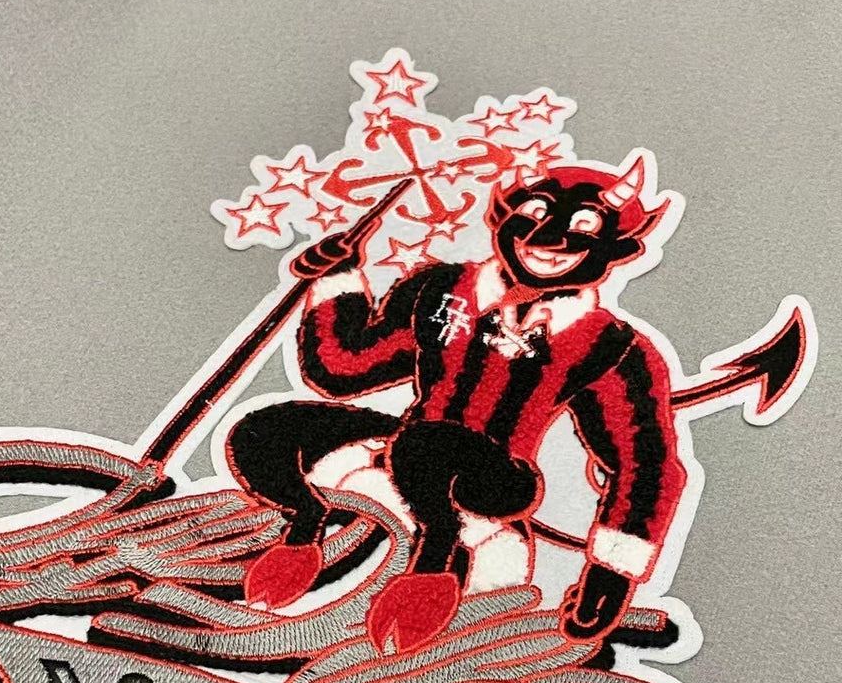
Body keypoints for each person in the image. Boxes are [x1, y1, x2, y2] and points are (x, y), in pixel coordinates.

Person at [227, 158, 687, 655]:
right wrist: (337, 278)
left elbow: (646, 465)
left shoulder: (611, 345)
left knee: (433, 445)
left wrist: (610, 575)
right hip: (404, 451)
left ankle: (435, 564)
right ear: (506, 218)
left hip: (493, 483)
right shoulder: (443, 288)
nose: (547, 240)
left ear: (615, 248)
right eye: (534, 215)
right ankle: (304, 530)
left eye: (582, 228)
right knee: (267, 430)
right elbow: (343, 369)